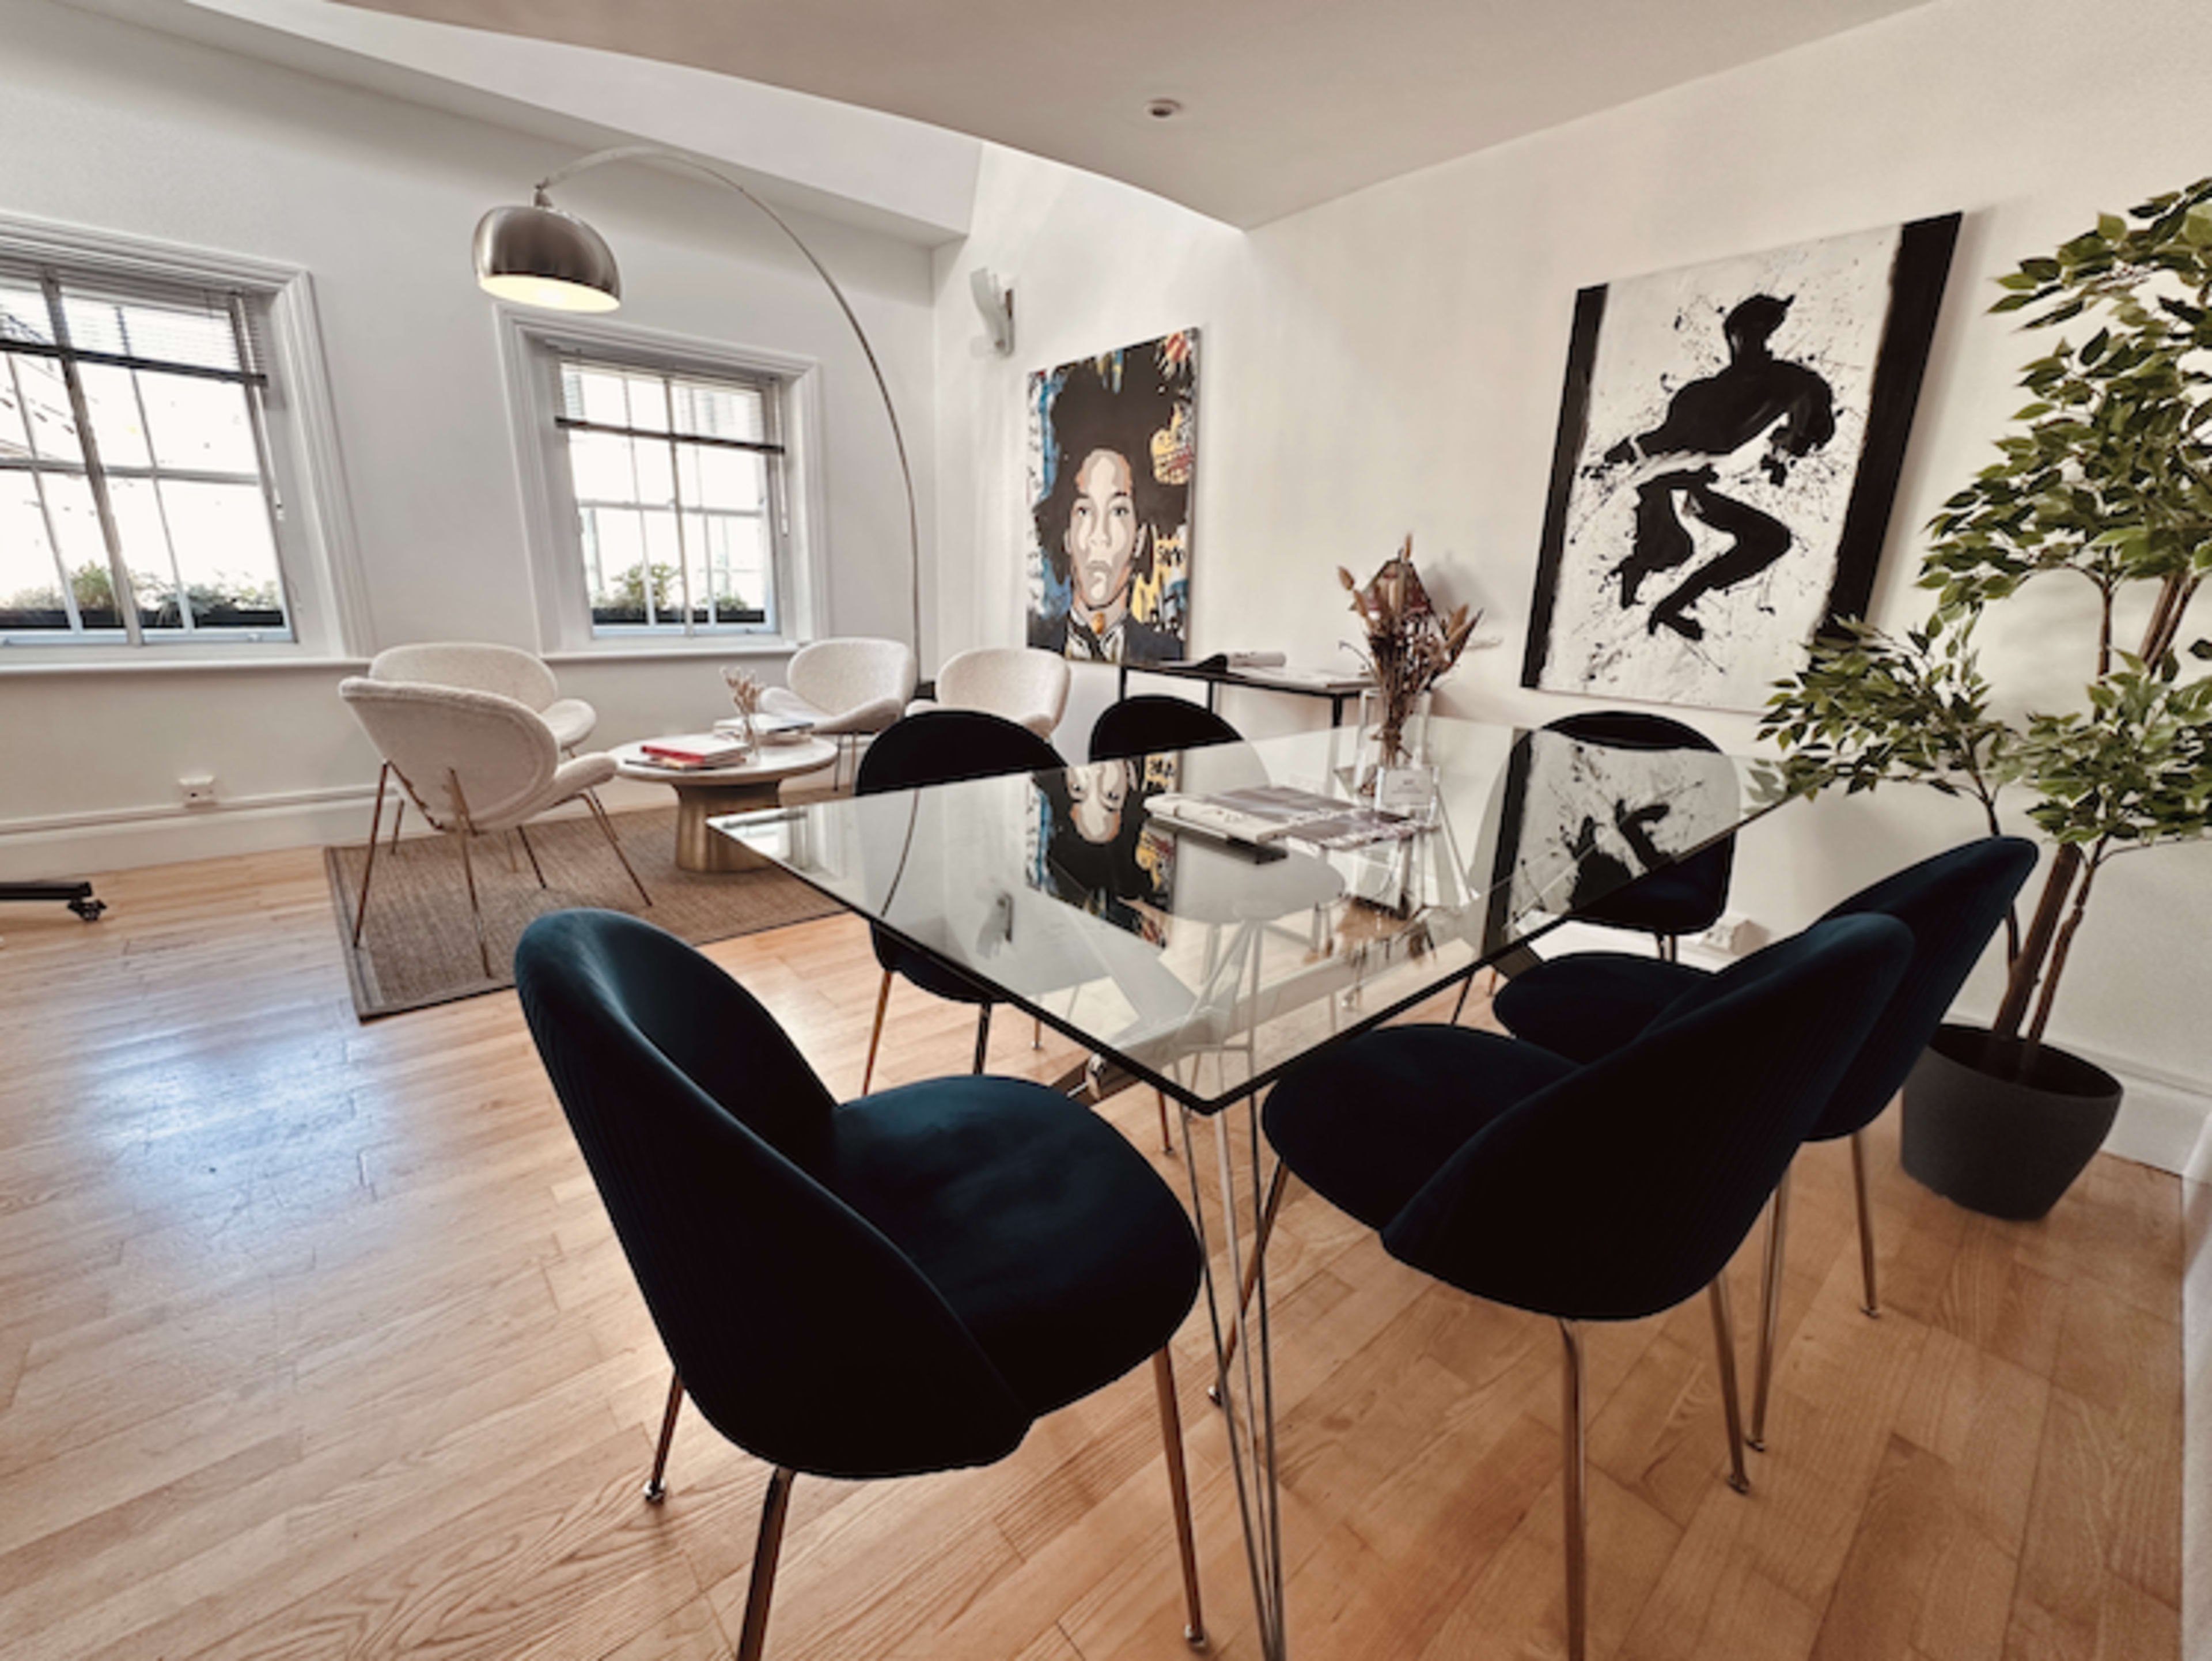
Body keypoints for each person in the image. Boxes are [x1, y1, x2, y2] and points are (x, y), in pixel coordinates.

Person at [1596, 293, 1836, 642]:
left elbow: (1812, 416)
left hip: (1704, 477)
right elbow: (1666, 440)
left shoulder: (1788, 384)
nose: (1743, 344)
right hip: (1692, 480)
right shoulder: (1709, 395)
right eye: (1739, 336)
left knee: (1771, 540)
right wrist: (1626, 454)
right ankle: (1647, 570)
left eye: (1750, 335)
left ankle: (1669, 605)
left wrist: (1790, 446)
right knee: (1677, 547)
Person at [1029, 348, 1192, 664]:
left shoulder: (1169, 657)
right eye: (1084, 512)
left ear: (1140, 537)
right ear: (1066, 535)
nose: (1099, 537)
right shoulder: (1037, 656)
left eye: (1118, 512)